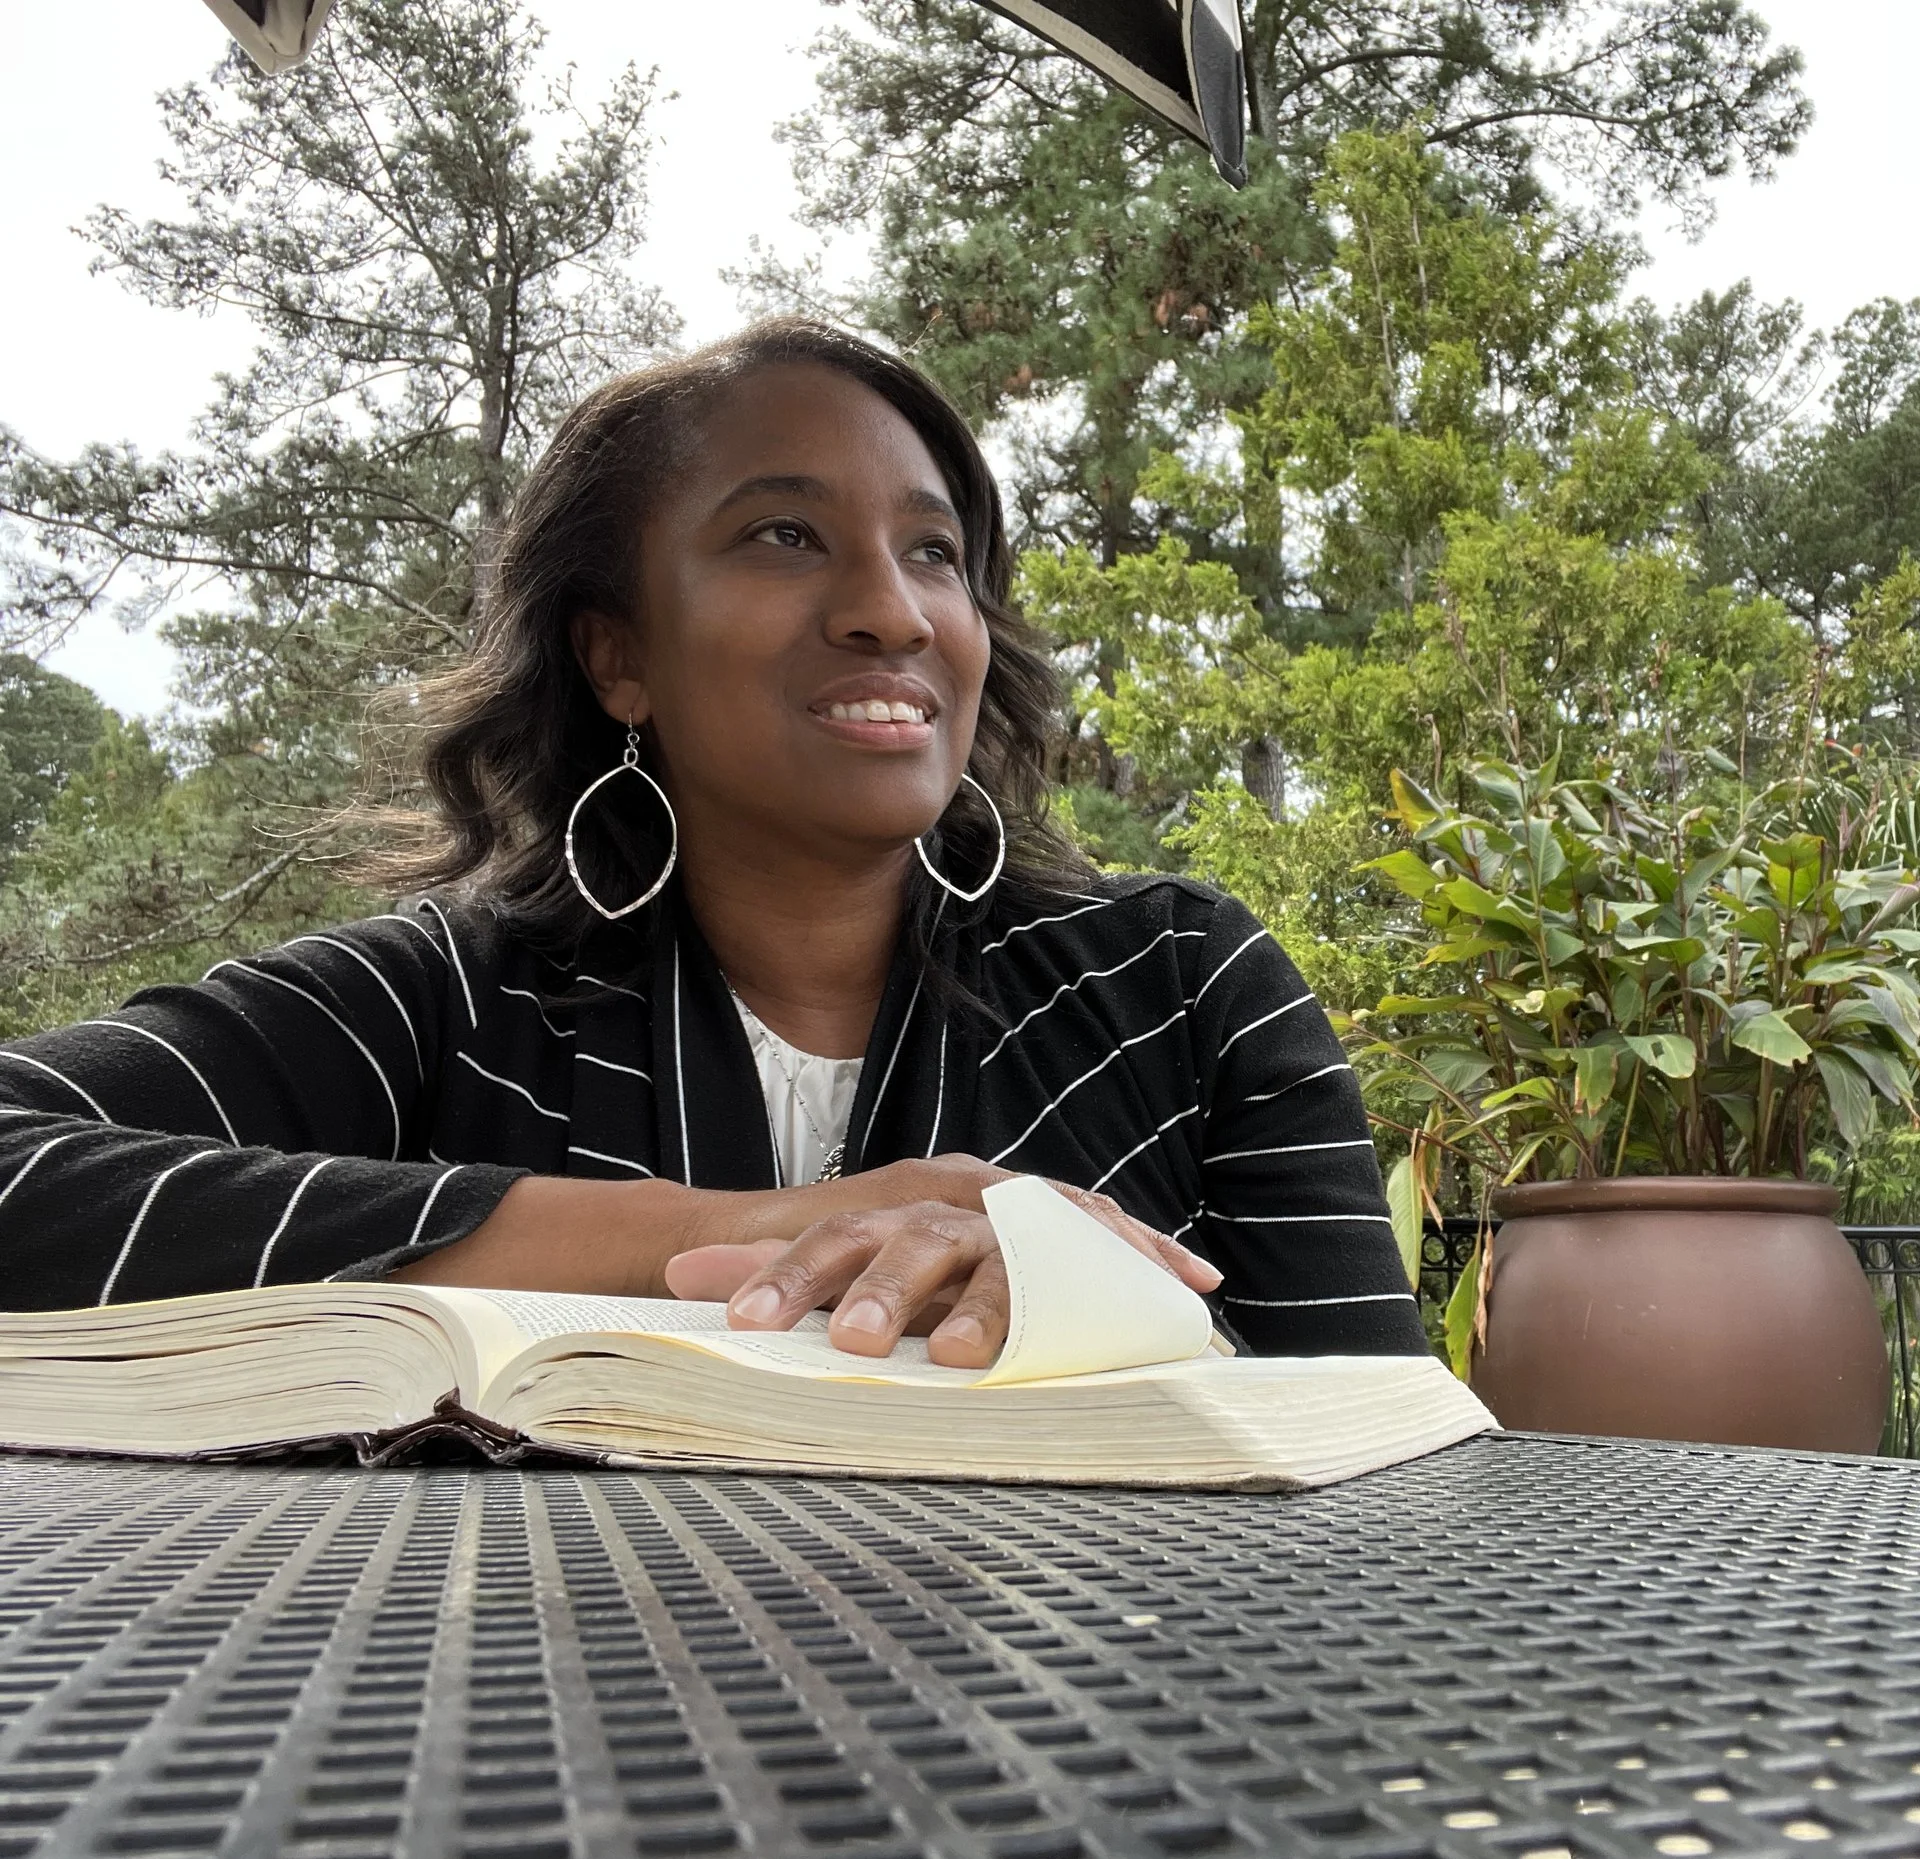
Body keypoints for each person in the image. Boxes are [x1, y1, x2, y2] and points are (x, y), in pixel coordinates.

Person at [0, 319, 1426, 1368]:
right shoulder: (454, 1007)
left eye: (937, 553)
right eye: (786, 537)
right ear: (619, 655)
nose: (894, 611)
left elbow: (1380, 1464)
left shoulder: (1175, 991)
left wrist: (1082, 1296)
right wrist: (746, 1229)